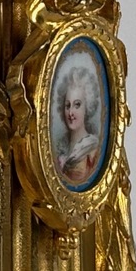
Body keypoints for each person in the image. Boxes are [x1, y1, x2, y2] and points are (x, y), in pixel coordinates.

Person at [55, 50, 105, 188]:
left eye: (77, 105)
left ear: (86, 108)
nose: (71, 112)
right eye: (67, 105)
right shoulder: (60, 149)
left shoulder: (93, 149)